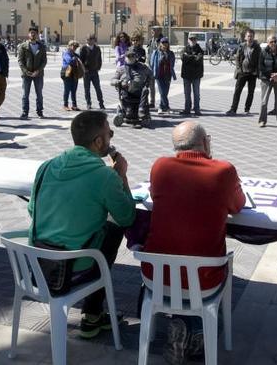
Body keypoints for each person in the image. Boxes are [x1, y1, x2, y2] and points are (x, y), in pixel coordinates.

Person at [142, 121, 245, 363]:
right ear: (206, 142)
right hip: (204, 279)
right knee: (203, 264)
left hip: (155, 276)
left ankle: (186, 328)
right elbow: (238, 205)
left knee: (182, 255)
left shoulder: (160, 167)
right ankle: (196, 333)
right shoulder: (223, 171)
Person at [28, 110, 135, 338]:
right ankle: (93, 312)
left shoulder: (46, 166)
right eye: (110, 133)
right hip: (70, 272)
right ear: (98, 142)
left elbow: (32, 210)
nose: (111, 137)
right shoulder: (104, 176)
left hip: (35, 266)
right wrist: (121, 177)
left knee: (96, 229)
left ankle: (94, 315)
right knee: (114, 229)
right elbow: (127, 216)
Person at [111, 50, 153, 128]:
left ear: (135, 57)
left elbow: (151, 75)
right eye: (129, 56)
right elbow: (112, 80)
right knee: (125, 91)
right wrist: (119, 82)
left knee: (145, 90)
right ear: (125, 58)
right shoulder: (121, 69)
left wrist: (147, 83)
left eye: (132, 56)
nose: (131, 58)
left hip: (139, 91)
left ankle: (141, 109)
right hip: (126, 91)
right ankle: (123, 113)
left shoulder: (142, 66)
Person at [226, 29, 261, 116]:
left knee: (251, 92)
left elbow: (259, 60)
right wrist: (239, 70)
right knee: (237, 91)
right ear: (245, 37)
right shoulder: (242, 46)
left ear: (253, 37)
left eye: (251, 36)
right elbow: (237, 58)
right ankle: (233, 109)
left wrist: (256, 71)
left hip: (252, 73)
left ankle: (247, 108)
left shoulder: (257, 47)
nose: (250, 38)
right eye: (248, 36)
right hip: (242, 72)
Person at [257, 36, 277, 127]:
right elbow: (261, 66)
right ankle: (262, 121)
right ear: (268, 42)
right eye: (271, 42)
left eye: (274, 41)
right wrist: (271, 76)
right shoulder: (263, 52)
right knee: (264, 101)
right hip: (267, 80)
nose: (273, 43)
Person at [17, 27, 47, 119]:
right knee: (25, 94)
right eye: (31, 33)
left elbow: (44, 60)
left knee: (39, 94)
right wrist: (26, 71)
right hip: (27, 75)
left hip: (38, 74)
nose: (33, 34)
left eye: (34, 33)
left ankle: (40, 111)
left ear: (37, 35)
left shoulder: (41, 46)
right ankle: (25, 112)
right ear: (28, 34)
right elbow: (20, 61)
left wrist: (38, 70)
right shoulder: (23, 46)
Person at [179, 34, 204, 117]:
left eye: (194, 39)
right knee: (187, 93)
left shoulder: (200, 50)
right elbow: (183, 58)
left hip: (196, 75)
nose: (192, 41)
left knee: (196, 93)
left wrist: (188, 57)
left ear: (196, 40)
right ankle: (187, 109)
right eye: (191, 39)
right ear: (188, 40)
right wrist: (193, 57)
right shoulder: (184, 49)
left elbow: (198, 60)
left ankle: (197, 109)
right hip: (186, 75)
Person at [150, 37, 176, 115]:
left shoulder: (171, 53)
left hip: (168, 75)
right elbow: (152, 63)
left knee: (165, 92)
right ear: (160, 44)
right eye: (163, 43)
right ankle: (167, 107)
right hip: (159, 75)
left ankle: (161, 107)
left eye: (166, 43)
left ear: (168, 44)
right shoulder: (156, 52)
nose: (164, 45)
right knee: (162, 92)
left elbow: (172, 64)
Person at [79, 35, 105, 110]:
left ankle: (101, 103)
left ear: (94, 40)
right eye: (88, 39)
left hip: (94, 71)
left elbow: (99, 59)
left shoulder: (97, 48)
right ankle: (88, 103)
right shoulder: (83, 48)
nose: (89, 41)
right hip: (86, 72)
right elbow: (81, 60)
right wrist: (84, 69)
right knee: (87, 89)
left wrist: (99, 67)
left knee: (98, 88)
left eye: (91, 39)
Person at [60, 40, 83, 111]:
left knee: (74, 90)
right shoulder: (66, 53)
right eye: (72, 46)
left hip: (74, 73)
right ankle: (65, 105)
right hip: (67, 73)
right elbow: (69, 61)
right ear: (69, 46)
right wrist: (75, 59)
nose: (74, 47)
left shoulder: (75, 54)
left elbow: (81, 59)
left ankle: (74, 105)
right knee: (67, 90)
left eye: (75, 46)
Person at [147, 26, 163, 108]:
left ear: (159, 31)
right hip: (150, 66)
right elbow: (149, 52)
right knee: (151, 85)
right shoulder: (151, 40)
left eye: (154, 30)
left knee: (160, 85)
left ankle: (162, 103)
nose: (152, 32)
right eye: (152, 31)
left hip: (159, 66)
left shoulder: (162, 40)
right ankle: (152, 102)